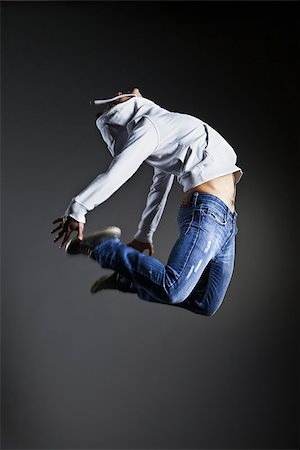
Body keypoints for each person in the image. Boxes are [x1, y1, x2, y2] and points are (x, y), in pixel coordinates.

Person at [51, 87, 243, 316]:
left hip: (228, 223)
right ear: (124, 108)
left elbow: (160, 187)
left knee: (206, 303)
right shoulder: (150, 126)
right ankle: (104, 247)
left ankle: (128, 281)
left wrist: (144, 235)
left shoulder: (167, 126)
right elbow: (118, 172)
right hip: (207, 213)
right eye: (120, 95)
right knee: (173, 289)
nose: (125, 90)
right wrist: (78, 208)